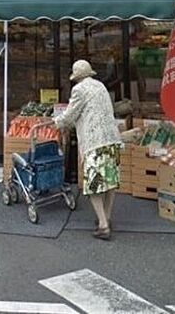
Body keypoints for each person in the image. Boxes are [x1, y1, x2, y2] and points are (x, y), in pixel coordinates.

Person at [55, 59, 122, 241]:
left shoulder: (79, 90)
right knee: (110, 181)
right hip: (112, 139)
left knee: (93, 185)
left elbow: (70, 115)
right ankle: (106, 217)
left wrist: (56, 122)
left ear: (76, 76)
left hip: (95, 142)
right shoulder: (100, 86)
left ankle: (103, 225)